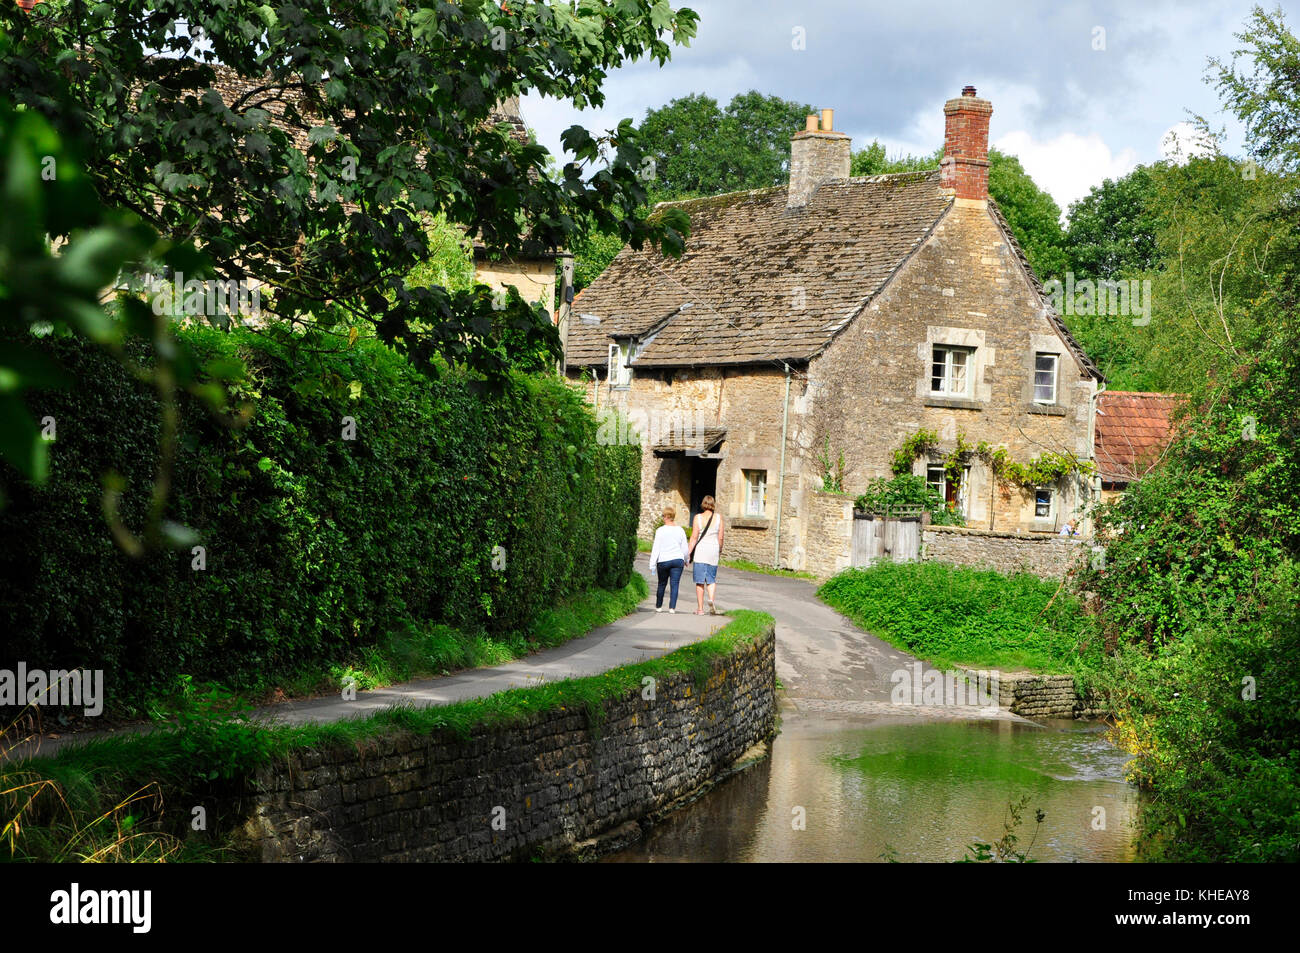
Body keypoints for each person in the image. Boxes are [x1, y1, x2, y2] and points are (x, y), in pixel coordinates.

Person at [648, 507, 689, 613]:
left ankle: (659, 606)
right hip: (677, 560)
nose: (662, 518)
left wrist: (652, 564)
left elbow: (656, 548)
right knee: (675, 584)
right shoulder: (680, 530)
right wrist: (686, 559)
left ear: (666, 516)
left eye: (663, 516)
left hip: (664, 560)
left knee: (662, 583)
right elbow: (684, 548)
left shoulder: (660, 531)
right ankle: (672, 608)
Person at [689, 495, 724, 615]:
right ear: (713, 504)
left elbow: (694, 537)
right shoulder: (719, 518)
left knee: (700, 581)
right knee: (711, 579)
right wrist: (719, 549)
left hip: (701, 551)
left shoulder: (697, 517)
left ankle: (700, 609)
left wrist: (688, 553)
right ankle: (711, 600)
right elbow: (720, 537)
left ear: (703, 504)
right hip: (713, 550)